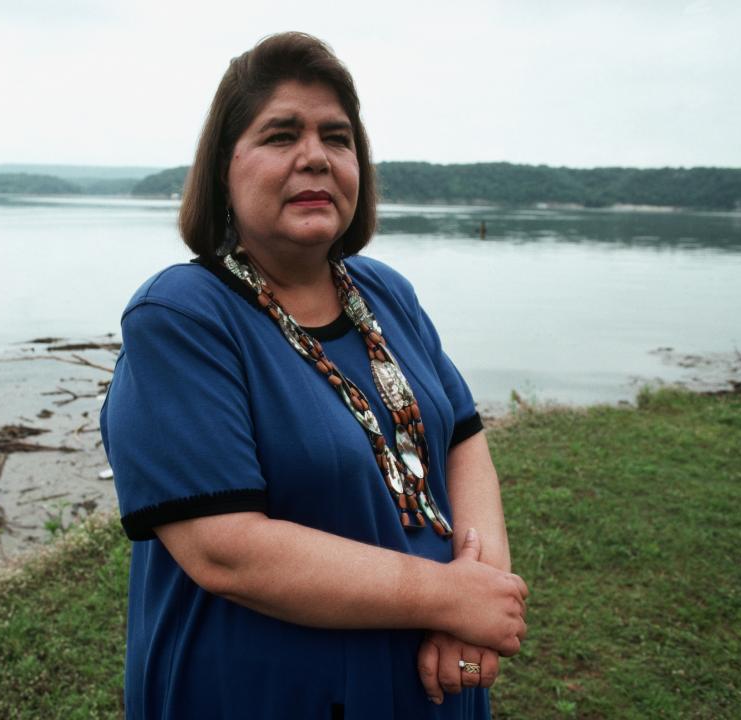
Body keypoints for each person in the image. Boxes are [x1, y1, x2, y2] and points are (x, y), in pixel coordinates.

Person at [100, 32, 528, 719]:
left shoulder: (386, 295)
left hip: (431, 689)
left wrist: (475, 594)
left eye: (337, 137)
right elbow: (225, 549)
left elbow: (463, 438)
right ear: (221, 172)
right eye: (280, 135)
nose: (315, 157)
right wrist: (446, 597)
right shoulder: (181, 316)